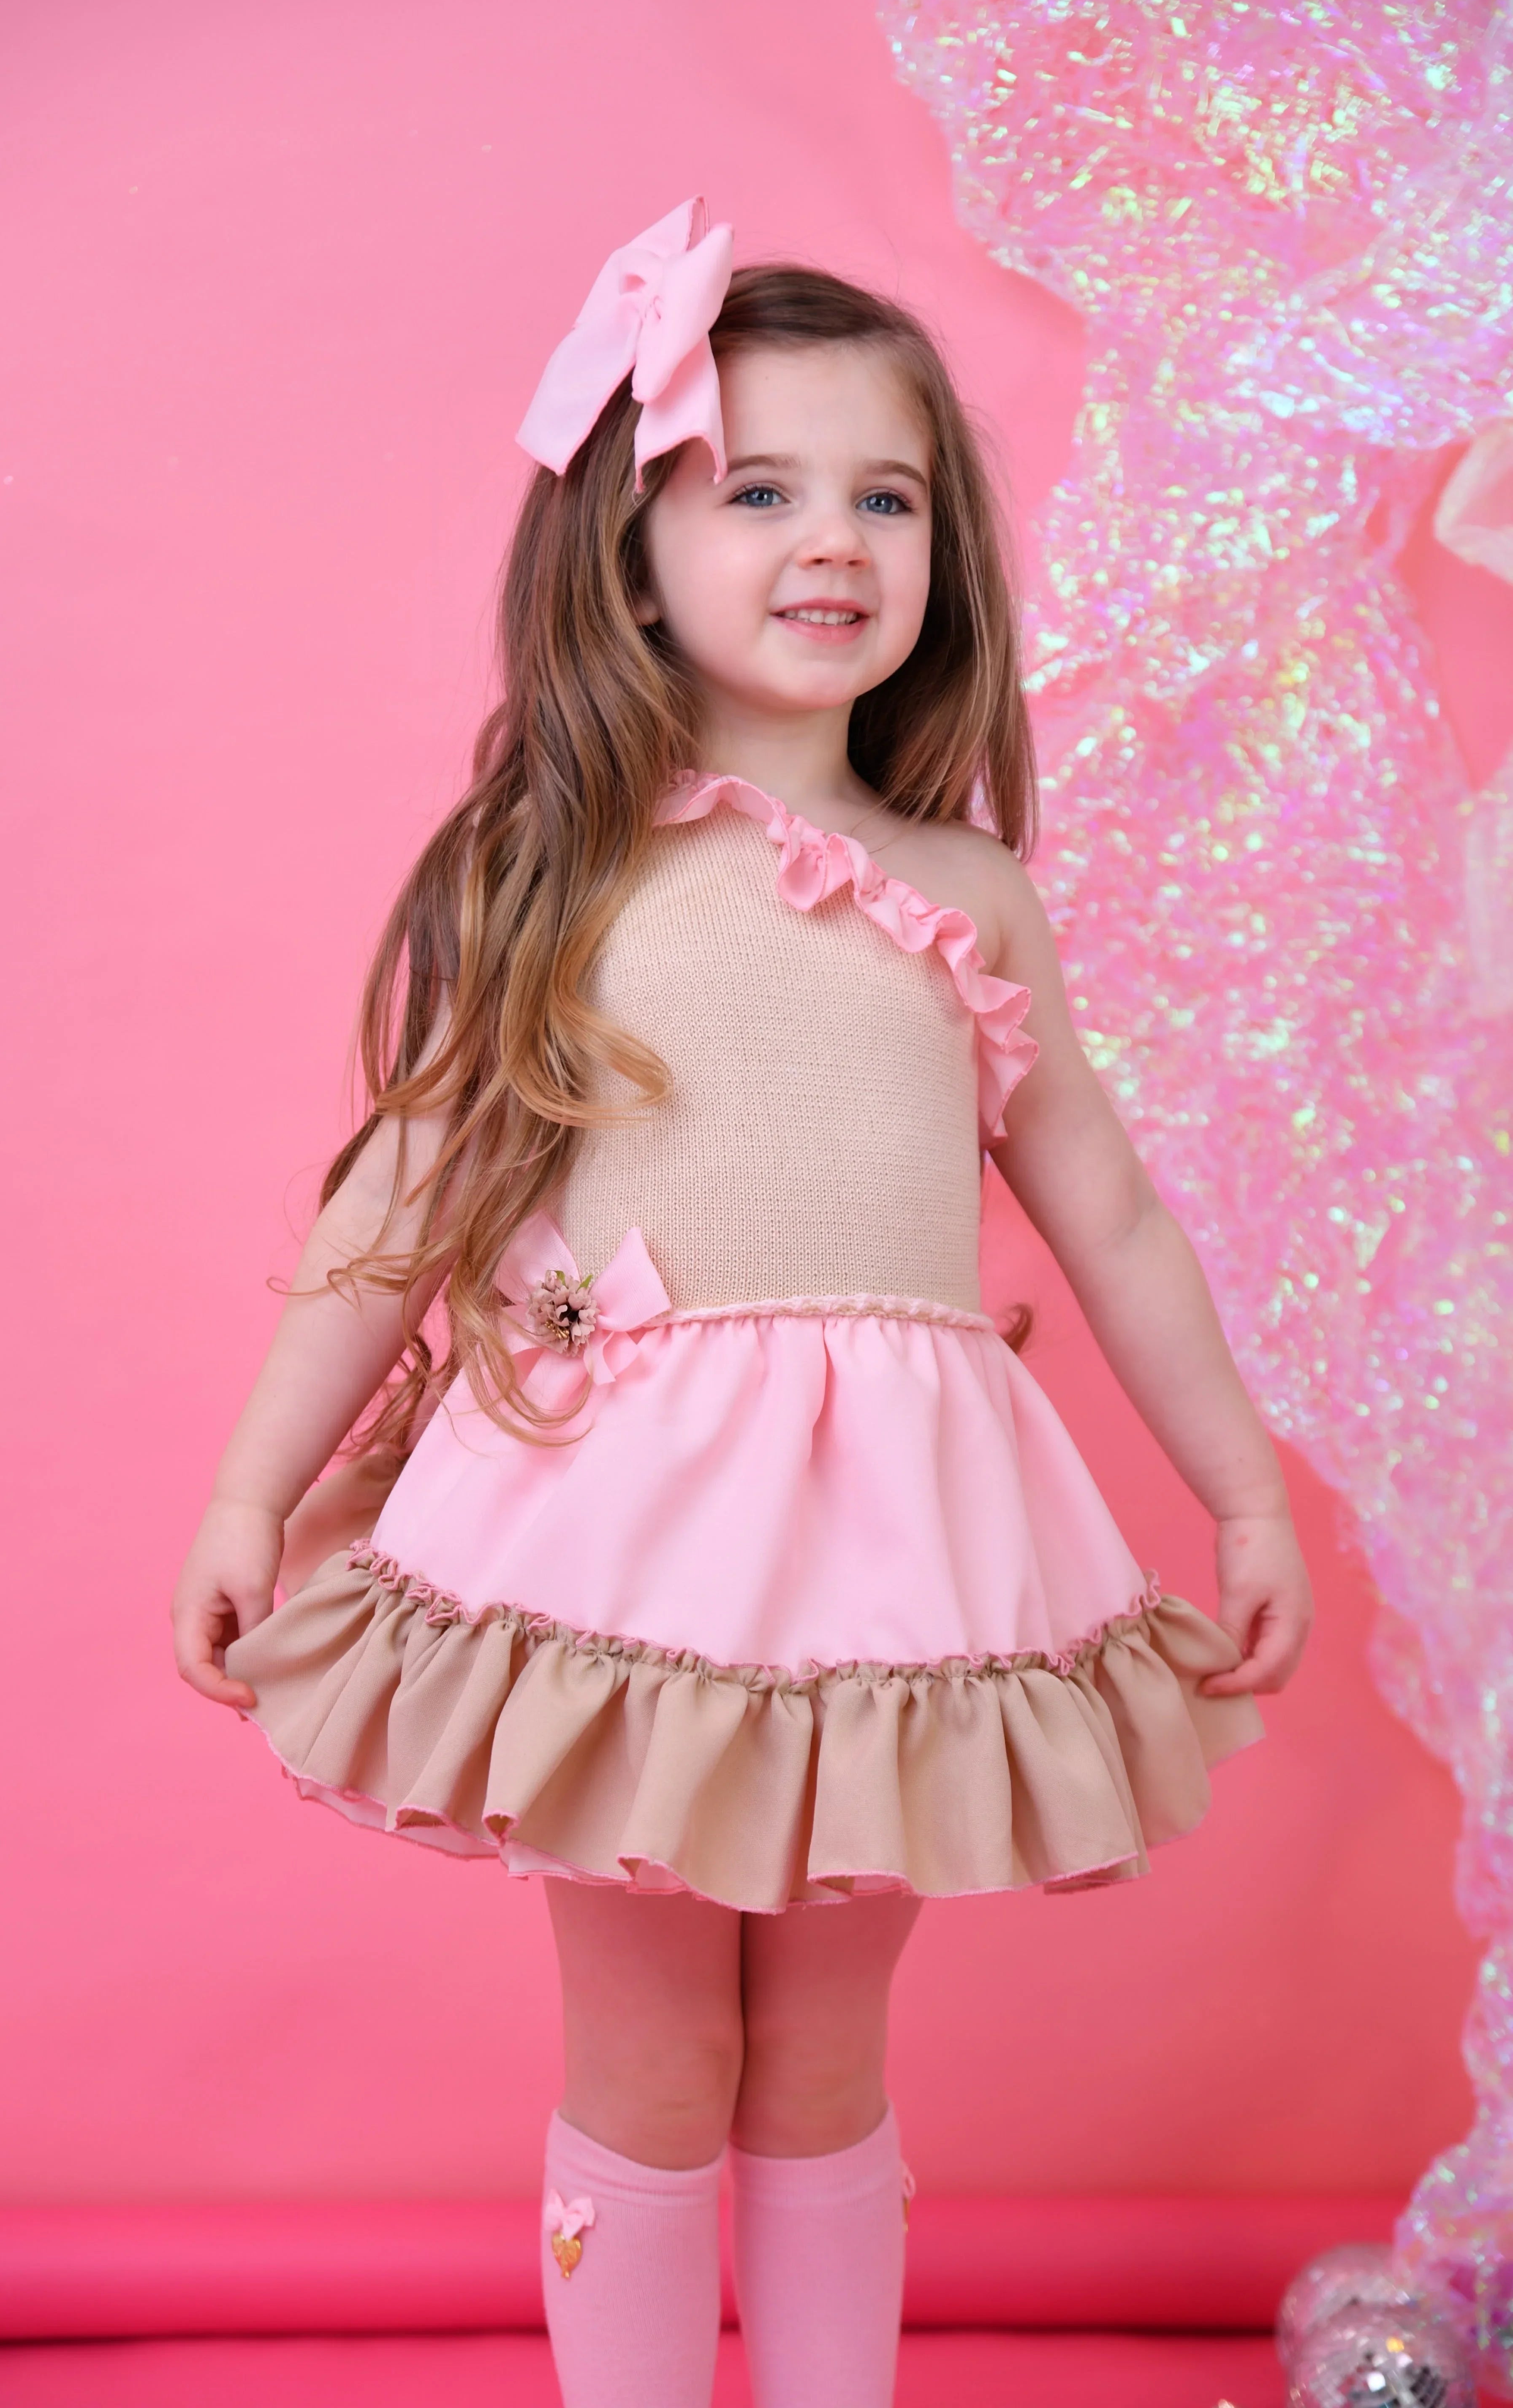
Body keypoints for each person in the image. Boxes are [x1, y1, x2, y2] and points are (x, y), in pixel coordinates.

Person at [170, 199, 1313, 2408]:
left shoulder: (973, 895)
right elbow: (404, 1190)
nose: (834, 539)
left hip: (891, 1547)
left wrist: (1242, 1500)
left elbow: (1117, 1218)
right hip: (625, 1547)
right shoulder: (554, 872)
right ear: (626, 552)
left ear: (944, 561)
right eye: (758, 487)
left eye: (886, 496)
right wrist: (252, 1490)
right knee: (657, 2045)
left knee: (822, 2060)